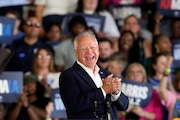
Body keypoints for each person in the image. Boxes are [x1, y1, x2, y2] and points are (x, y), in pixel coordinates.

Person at [59, 32, 129, 119]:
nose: (89, 52)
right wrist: (103, 90)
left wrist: (116, 92)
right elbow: (74, 105)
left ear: (98, 50)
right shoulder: (68, 75)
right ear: (76, 53)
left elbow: (124, 106)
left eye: (93, 47)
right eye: (84, 48)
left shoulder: (106, 74)